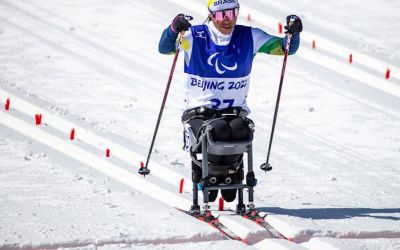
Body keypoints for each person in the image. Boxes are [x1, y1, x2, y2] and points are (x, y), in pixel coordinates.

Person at [158, 0, 302, 212]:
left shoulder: (250, 36)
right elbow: (165, 49)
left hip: (234, 114)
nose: (228, 19)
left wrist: (294, 33)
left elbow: (285, 48)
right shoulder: (194, 36)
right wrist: (173, 29)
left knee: (239, 130)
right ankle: (212, 177)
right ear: (210, 15)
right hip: (200, 114)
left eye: (232, 13)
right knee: (218, 131)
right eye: (220, 15)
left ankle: (229, 176)